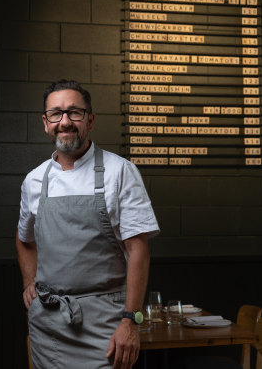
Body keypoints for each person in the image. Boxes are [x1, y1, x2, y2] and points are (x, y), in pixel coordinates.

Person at [16, 79, 160, 369]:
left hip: (105, 325)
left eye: (75, 113)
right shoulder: (34, 180)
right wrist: (29, 281)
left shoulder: (121, 171)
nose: (65, 121)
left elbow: (138, 250)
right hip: (47, 324)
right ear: (46, 123)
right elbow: (23, 239)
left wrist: (130, 320)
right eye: (56, 114)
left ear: (90, 120)